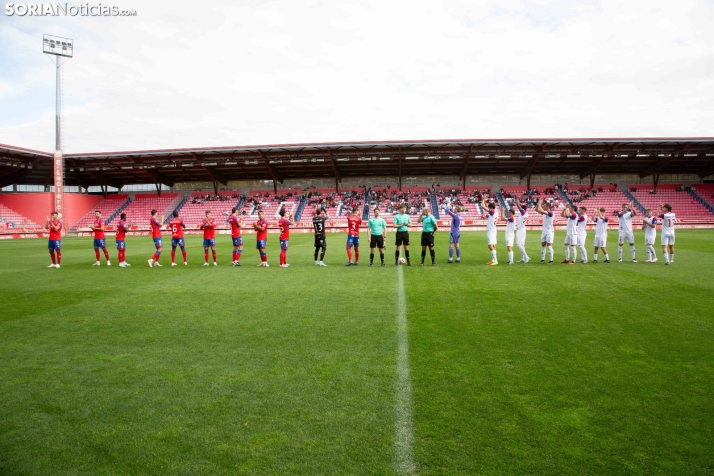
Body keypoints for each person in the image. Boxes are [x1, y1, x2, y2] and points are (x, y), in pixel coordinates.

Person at [535, 198, 554, 264]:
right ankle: (542, 259)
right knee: (543, 244)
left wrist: (540, 203)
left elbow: (541, 210)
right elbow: (536, 210)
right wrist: (538, 204)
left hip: (549, 231)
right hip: (544, 231)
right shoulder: (544, 213)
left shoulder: (550, 213)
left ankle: (551, 260)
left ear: (548, 207)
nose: (543, 207)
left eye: (545, 206)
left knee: (549, 245)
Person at [443, 198, 461, 263]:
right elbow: (451, 211)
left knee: (451, 245)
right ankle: (458, 258)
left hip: (453, 232)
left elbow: (447, 210)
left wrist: (448, 203)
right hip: (458, 232)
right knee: (457, 246)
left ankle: (450, 259)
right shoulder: (459, 216)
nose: (454, 209)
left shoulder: (455, 216)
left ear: (456, 210)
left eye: (454, 209)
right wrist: (450, 204)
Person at [482, 195, 498, 265]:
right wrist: (486, 201)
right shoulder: (495, 211)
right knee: (493, 245)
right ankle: (493, 260)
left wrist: (483, 200)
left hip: (491, 230)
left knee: (490, 246)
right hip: (494, 229)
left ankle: (495, 260)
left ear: (491, 208)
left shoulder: (492, 212)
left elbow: (483, 207)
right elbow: (487, 206)